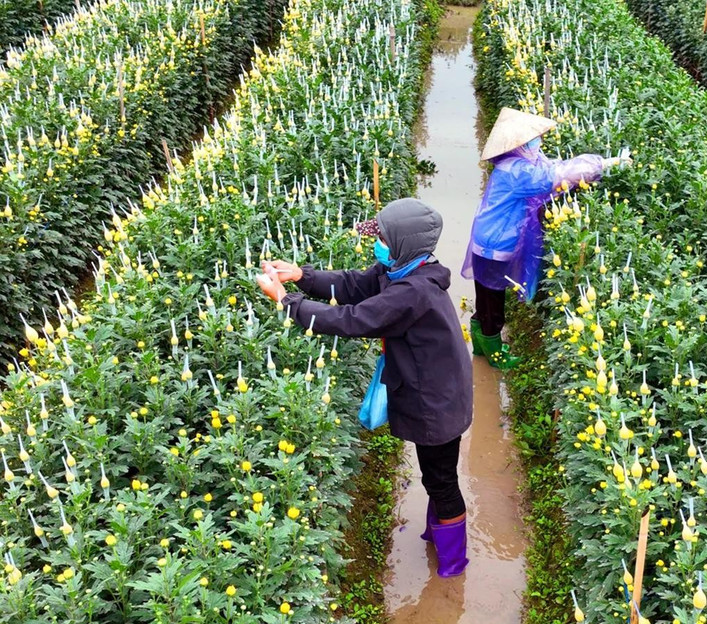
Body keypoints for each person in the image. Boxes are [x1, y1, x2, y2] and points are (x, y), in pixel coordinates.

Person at [255, 198, 474, 577]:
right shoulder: (401, 269)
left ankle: (454, 563)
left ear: (404, 243)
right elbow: (354, 284)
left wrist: (287, 302)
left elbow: (354, 319)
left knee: (440, 479)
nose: (378, 245)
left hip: (438, 401)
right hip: (434, 388)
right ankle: (437, 534)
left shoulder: (413, 292)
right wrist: (302, 276)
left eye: (383, 239)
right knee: (435, 474)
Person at [465, 107, 629, 369]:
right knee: (492, 302)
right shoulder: (518, 172)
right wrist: (604, 164)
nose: (538, 142)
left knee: (486, 297)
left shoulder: (515, 164)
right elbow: (559, 175)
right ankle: (495, 358)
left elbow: (554, 166)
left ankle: (481, 348)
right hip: (494, 245)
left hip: (489, 239)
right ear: (519, 144)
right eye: (533, 140)